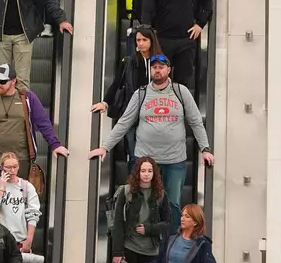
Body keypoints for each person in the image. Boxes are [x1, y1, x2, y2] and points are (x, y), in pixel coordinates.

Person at [88, 55, 214, 232]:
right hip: (146, 161)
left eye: (161, 67)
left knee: (172, 204)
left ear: (169, 70)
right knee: (144, 203)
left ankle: (169, 244)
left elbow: (196, 121)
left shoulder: (181, 91)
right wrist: (105, 147)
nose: (157, 70)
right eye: (154, 67)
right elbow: (124, 122)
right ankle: (144, 246)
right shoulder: (141, 94)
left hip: (174, 160)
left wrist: (205, 148)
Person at [91, 25, 163, 173]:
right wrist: (105, 102)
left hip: (154, 115)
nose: (140, 43)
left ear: (151, 41)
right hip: (132, 113)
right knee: (133, 154)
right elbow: (116, 84)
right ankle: (134, 188)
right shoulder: (129, 61)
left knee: (153, 156)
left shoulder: (160, 63)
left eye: (144, 40)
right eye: (138, 40)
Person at [140, 0, 213, 88]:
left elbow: (206, 0)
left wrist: (200, 24)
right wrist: (148, 36)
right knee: (158, 80)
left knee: (183, 82)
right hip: (162, 40)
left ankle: (180, 109)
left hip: (186, 39)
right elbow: (147, 11)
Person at [0, 64, 69, 177]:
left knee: (22, 193)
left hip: (22, 160)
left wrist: (55, 145)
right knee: (0, 193)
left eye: (2, 82)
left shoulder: (27, 98)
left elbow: (43, 122)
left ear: (13, 81)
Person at [0, 152, 42, 263]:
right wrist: (2, 188)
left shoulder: (27, 187)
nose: (12, 170)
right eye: (8, 167)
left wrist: (29, 239)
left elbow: (33, 213)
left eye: (15, 166)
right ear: (2, 167)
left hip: (19, 242)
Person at [112, 157, 171, 263]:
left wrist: (149, 229)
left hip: (150, 249)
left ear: (154, 173)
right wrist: (117, 252)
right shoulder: (125, 191)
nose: (146, 174)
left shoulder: (161, 194)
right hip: (129, 246)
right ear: (137, 172)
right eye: (143, 170)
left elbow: (167, 223)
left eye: (150, 171)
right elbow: (117, 222)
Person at [130, 204, 219, 263]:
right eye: (182, 215)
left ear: (195, 222)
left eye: (187, 216)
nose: (182, 219)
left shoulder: (202, 245)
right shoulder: (171, 239)